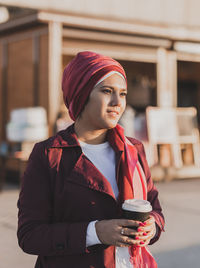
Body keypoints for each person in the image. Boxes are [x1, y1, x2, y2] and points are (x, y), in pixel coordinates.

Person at [17, 51, 164, 268]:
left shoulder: (134, 150)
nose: (117, 102)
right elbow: (30, 235)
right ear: (81, 94)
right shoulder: (50, 155)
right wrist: (95, 232)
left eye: (122, 94)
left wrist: (153, 226)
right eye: (107, 91)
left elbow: (154, 208)